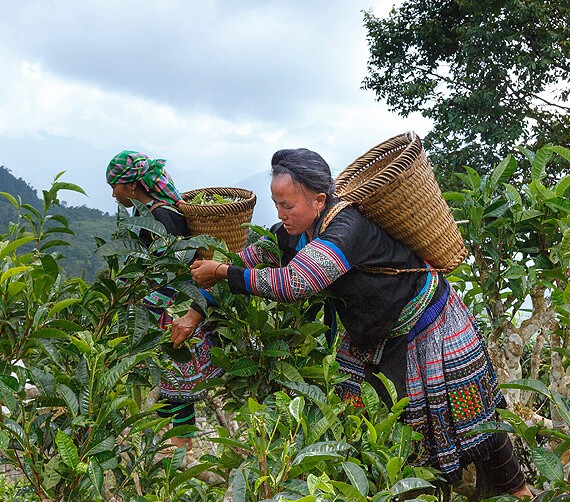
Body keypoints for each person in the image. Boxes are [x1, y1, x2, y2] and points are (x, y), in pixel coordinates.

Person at [170, 148, 532, 498]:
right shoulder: (295, 232)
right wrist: (195, 311)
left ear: (319, 200)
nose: (281, 214)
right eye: (276, 204)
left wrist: (222, 271)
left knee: (472, 410)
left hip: (429, 320)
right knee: (366, 415)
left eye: (288, 205)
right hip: (375, 333)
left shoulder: (346, 227)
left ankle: (520, 491)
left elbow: (296, 282)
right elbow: (247, 259)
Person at [106, 150, 215, 452]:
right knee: (173, 388)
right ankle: (179, 446)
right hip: (171, 310)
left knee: (175, 386)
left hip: (171, 313)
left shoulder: (160, 217)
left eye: (114, 186)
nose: (113, 194)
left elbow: (170, 270)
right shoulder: (160, 213)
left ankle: (179, 449)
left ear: (131, 185)